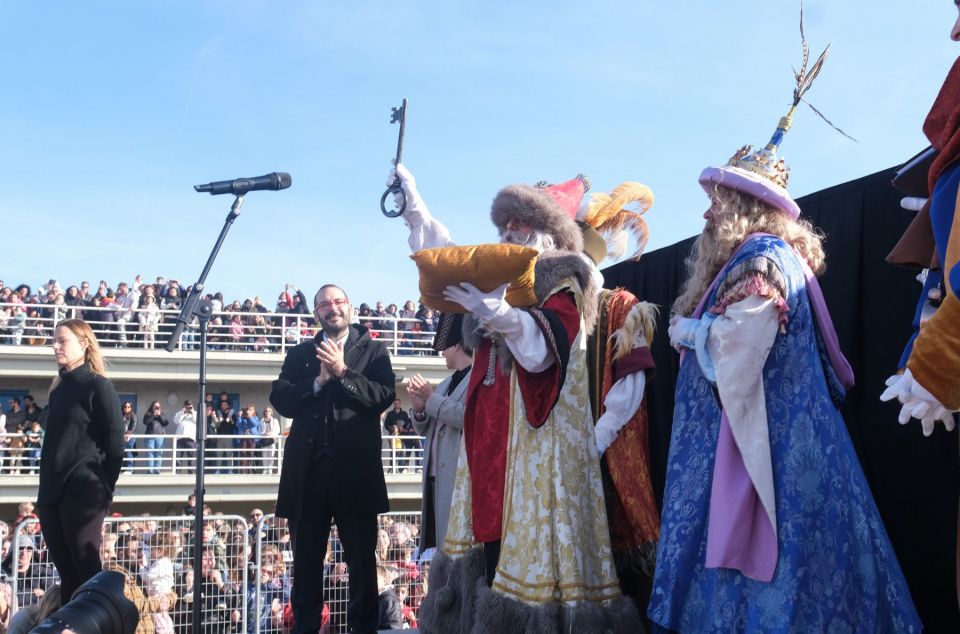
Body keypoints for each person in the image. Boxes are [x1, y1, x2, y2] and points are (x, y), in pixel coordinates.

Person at [647, 73, 922, 630]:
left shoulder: (761, 261)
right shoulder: (763, 260)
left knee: (780, 574)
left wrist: (688, 333)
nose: (708, 215)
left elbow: (738, 356)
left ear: (746, 206)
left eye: (718, 202)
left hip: (768, 451)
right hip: (780, 440)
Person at [392, 164, 639, 631]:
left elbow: (544, 351)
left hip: (536, 447)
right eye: (505, 225)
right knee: (486, 554)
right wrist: (414, 209)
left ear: (548, 233)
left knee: (529, 566)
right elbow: (448, 257)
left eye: (520, 224)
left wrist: (499, 313)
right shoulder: (504, 273)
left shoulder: (565, 278)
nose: (510, 232)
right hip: (492, 443)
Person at [271, 283, 396, 634]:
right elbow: (280, 398)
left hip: (355, 474)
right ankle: (306, 628)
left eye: (338, 301)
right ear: (317, 314)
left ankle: (363, 628)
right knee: (307, 563)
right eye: (325, 304)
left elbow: (382, 397)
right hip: (308, 474)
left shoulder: (373, 352)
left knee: (361, 562)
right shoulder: (299, 355)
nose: (332, 308)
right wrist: (317, 381)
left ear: (350, 308)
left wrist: (342, 373)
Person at [36, 318, 124, 604]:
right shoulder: (58, 388)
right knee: (68, 578)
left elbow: (115, 445)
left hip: (84, 491)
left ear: (84, 343)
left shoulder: (99, 386)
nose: (55, 346)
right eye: (54, 340)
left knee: (88, 575)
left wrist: (102, 489)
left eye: (62, 341)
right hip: (51, 492)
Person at [406, 313, 472, 553]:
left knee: (456, 548)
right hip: (435, 476)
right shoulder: (445, 383)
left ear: (456, 345)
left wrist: (430, 399)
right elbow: (427, 428)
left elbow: (469, 419)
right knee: (442, 548)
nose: (441, 352)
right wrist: (420, 409)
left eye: (444, 347)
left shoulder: (478, 377)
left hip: (459, 476)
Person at [142, 400, 170, 475]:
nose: (157, 408)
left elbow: (165, 423)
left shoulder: (162, 414)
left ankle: (157, 470)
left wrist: (160, 415)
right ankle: (150, 471)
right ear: (152, 407)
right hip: (150, 436)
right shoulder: (148, 414)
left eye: (158, 407)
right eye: (156, 407)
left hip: (160, 437)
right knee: (150, 453)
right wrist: (153, 415)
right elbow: (145, 422)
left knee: (159, 453)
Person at [174, 400, 198, 473]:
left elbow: (196, 421)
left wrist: (192, 411)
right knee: (178, 456)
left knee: (191, 456)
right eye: (186, 405)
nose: (188, 407)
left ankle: (191, 471)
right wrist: (182, 412)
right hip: (180, 438)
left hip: (190, 438)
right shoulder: (179, 413)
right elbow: (176, 421)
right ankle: (177, 471)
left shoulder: (195, 413)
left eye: (189, 405)